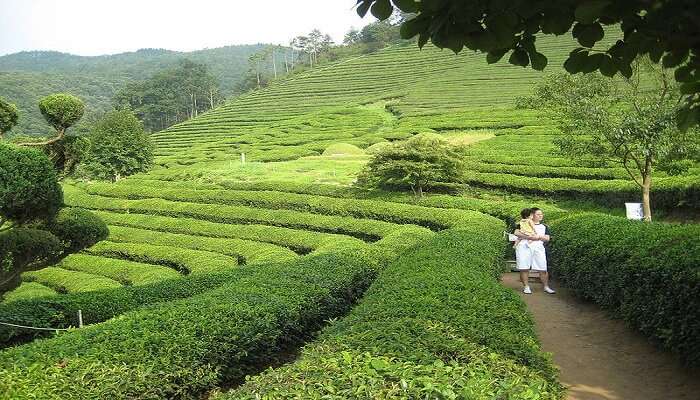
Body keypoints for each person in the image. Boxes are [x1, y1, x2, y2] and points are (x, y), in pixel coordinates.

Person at [514, 207, 555, 295]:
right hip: (524, 247)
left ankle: (546, 286)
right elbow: (516, 233)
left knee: (543, 267)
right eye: (538, 214)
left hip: (538, 247)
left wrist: (538, 237)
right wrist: (530, 237)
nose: (541, 216)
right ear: (532, 215)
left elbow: (547, 238)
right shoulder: (523, 223)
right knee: (524, 267)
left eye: (541, 214)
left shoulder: (544, 227)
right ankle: (526, 286)